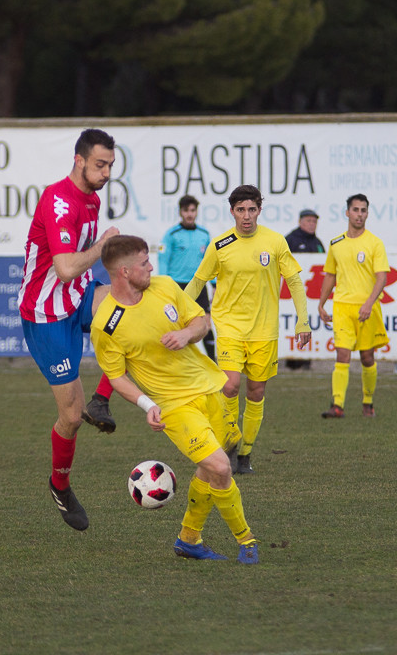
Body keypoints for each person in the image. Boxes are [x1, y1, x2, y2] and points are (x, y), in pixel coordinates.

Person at [90, 235, 258, 564]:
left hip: (210, 390)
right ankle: (246, 540)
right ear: (123, 271)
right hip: (175, 408)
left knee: (209, 469)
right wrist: (147, 404)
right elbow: (117, 377)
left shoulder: (165, 286)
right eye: (143, 263)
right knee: (222, 468)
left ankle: (188, 540)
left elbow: (202, 321)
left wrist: (185, 334)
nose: (151, 266)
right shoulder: (106, 325)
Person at [18, 128, 120, 531]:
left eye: (111, 165)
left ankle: (103, 399)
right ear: (78, 160)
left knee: (128, 316)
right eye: (100, 164)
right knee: (72, 417)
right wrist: (104, 246)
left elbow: (78, 270)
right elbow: (63, 268)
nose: (106, 172)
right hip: (45, 314)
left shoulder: (92, 197)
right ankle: (59, 484)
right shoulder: (59, 200)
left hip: (77, 296)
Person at [183, 185, 311, 475]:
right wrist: (176, 313)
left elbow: (294, 282)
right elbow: (197, 282)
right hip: (229, 326)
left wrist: (303, 320)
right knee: (229, 385)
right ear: (232, 212)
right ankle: (229, 444)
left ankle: (245, 453)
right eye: (240, 210)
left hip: (264, 331)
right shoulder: (220, 244)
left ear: (259, 210)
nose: (246, 216)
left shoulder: (276, 241)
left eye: (251, 209)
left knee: (256, 391)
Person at [319, 193, 390, 419]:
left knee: (367, 357)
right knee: (342, 354)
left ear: (367, 214)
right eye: (356, 210)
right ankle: (337, 405)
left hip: (366, 308)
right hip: (341, 306)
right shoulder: (336, 243)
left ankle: (368, 402)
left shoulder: (374, 243)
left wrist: (369, 303)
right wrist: (321, 304)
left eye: (363, 210)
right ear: (347, 212)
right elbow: (330, 275)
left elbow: (382, 277)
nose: (360, 214)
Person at [158, 194, 214, 359]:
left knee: (206, 324)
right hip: (177, 286)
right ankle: (174, 361)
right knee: (176, 324)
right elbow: (163, 260)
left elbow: (209, 261)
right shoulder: (171, 234)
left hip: (198, 285)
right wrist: (163, 284)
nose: (189, 214)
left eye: (192, 210)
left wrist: (215, 283)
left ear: (196, 212)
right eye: (186, 210)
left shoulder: (204, 234)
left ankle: (213, 363)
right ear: (180, 212)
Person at [284, 208, 325, 369]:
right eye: (308, 220)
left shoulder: (317, 242)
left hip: (311, 293)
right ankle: (292, 360)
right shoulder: (291, 239)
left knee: (308, 321)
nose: (312, 224)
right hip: (292, 292)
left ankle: (307, 359)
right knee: (292, 321)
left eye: (314, 221)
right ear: (300, 221)